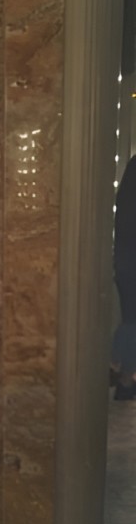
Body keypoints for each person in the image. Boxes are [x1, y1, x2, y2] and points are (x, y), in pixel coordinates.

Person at [111, 155, 136, 400]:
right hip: (130, 261)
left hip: (125, 261)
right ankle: (125, 375)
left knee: (131, 318)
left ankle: (122, 371)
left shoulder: (132, 171)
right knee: (132, 320)